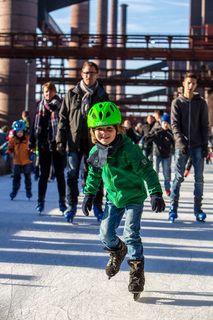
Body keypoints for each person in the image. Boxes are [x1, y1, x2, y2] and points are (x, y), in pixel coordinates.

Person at [81, 101, 165, 299]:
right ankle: (118, 251)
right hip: (113, 198)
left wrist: (155, 192)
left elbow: (147, 170)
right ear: (93, 132)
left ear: (117, 129)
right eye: (99, 130)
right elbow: (93, 174)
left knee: (131, 234)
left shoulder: (129, 149)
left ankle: (136, 271)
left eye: (109, 129)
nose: (104, 134)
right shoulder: (98, 151)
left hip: (134, 197)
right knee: (104, 234)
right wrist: (89, 194)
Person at [56, 60, 109, 223]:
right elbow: (63, 118)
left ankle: (97, 206)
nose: (88, 76)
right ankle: (71, 207)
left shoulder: (102, 95)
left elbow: (109, 121)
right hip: (74, 141)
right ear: (81, 74)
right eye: (86, 73)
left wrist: (108, 141)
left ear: (97, 74)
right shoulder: (71, 94)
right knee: (71, 175)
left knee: (97, 175)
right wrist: (60, 140)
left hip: (97, 142)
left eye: (91, 73)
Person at [169, 72, 209, 223]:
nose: (191, 85)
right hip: (182, 147)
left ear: (196, 85)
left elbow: (204, 126)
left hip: (198, 146)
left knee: (199, 179)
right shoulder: (177, 103)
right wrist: (180, 142)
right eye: (188, 83)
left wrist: (205, 145)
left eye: (193, 83)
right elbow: (175, 125)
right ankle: (173, 209)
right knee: (178, 178)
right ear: (183, 84)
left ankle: (198, 210)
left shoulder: (201, 103)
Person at [29, 82, 66, 214]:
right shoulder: (40, 106)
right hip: (43, 144)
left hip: (58, 144)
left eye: (50, 91)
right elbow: (34, 125)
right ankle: (40, 201)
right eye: (45, 92)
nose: (48, 94)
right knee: (43, 175)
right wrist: (32, 142)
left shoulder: (61, 105)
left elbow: (65, 124)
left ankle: (62, 201)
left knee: (60, 174)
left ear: (55, 92)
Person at [144, 113, 174, 196]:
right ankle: (155, 189)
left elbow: (175, 142)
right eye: (164, 122)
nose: (165, 124)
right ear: (161, 123)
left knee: (166, 173)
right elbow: (147, 139)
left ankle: (167, 188)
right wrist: (154, 134)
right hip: (156, 154)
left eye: (167, 123)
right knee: (155, 172)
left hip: (166, 155)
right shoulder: (156, 130)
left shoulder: (170, 133)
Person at [7, 120, 32, 200]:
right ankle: (14, 191)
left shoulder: (28, 139)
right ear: (15, 132)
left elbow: (33, 148)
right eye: (18, 132)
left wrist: (33, 153)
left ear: (24, 131)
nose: (19, 133)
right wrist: (8, 153)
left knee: (27, 177)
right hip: (17, 161)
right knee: (16, 177)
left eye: (21, 132)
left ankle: (28, 191)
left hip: (26, 161)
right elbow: (10, 148)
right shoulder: (13, 140)